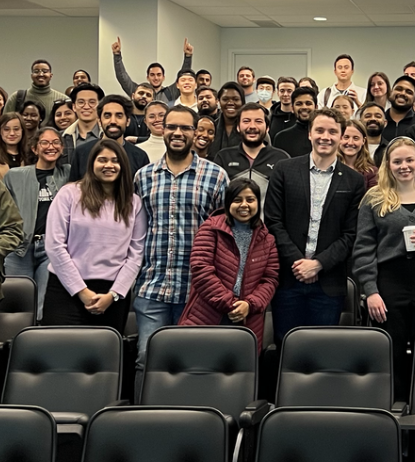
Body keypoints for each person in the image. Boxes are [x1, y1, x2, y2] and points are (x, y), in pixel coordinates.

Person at [133, 106, 228, 391]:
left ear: (196, 133)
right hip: (153, 286)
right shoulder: (143, 176)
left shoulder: (216, 176)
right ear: (162, 129)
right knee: (147, 358)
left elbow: (225, 236)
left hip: (198, 290)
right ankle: (142, 422)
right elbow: (136, 232)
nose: (177, 132)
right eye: (171, 126)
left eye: (185, 128)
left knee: (195, 363)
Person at [353, 137, 415, 400]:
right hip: (389, 283)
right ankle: (393, 407)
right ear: (388, 164)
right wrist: (371, 290)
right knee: (391, 350)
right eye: (397, 161)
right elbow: (363, 248)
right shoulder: (373, 198)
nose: (404, 166)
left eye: (409, 160)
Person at [265, 108, 365, 343]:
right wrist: (299, 264)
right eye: (319, 130)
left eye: (333, 131)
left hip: (328, 284)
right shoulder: (284, 170)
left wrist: (318, 264)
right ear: (309, 134)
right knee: (285, 348)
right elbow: (273, 222)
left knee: (322, 351)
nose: (325, 137)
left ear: (341, 137)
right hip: (289, 279)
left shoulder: (354, 181)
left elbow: (351, 234)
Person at [43, 139, 146, 333]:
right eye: (102, 160)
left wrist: (114, 294)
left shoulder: (134, 203)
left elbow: (135, 255)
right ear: (92, 164)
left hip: (112, 296)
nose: (109, 165)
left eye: (115, 161)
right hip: (66, 290)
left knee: (104, 360)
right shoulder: (69, 194)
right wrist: (81, 291)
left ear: (123, 166)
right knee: (60, 357)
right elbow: (55, 246)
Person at [178, 178, 279, 349]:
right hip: (207, 315)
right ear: (227, 203)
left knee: (240, 372)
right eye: (237, 200)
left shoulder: (267, 239)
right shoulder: (210, 229)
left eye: (250, 200)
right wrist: (231, 304)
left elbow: (270, 279)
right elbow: (201, 270)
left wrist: (249, 304)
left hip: (248, 320)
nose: (244, 205)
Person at [3, 128, 69, 320]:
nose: (51, 147)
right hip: (19, 247)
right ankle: (13, 343)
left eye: (56, 142)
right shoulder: (15, 175)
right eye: (45, 143)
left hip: (50, 247)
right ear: (34, 148)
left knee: (43, 303)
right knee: (17, 301)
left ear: (62, 148)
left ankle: (38, 341)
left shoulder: (68, 174)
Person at [212, 103, 290, 210]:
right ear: (238, 127)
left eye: (258, 121)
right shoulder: (223, 157)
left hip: (269, 226)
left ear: (267, 128)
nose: (252, 126)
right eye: (246, 121)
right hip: (229, 225)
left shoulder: (282, 159)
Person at [69, 95, 151, 182]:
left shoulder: (140, 156)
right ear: (99, 121)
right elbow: (73, 190)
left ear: (127, 121)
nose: (113, 121)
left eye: (119, 116)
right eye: (107, 116)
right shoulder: (81, 152)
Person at [112, 36, 194, 104]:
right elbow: (122, 77)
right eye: (152, 75)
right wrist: (117, 55)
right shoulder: (138, 90)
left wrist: (188, 56)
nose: (156, 78)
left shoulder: (171, 92)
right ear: (147, 77)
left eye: (159, 75)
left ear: (163, 77)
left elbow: (184, 76)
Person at [4, 59, 69, 117]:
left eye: (45, 71)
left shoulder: (63, 99)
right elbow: (5, 124)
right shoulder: (16, 98)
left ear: (51, 75)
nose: (40, 74)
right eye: (36, 71)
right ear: (32, 76)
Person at [61, 83, 105, 165]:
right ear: (74, 107)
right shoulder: (61, 138)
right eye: (81, 102)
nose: (86, 107)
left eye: (92, 102)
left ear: (100, 106)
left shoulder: (109, 136)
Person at [273, 86, 317, 157]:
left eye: (308, 103)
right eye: (299, 104)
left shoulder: (324, 137)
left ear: (316, 107)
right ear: (292, 108)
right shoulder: (281, 138)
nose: (304, 107)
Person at [380, 76, 415, 143]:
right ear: (391, 92)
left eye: (409, 92)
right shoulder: (379, 121)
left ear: (414, 100)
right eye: (399, 89)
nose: (402, 93)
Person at [339, 119, 378, 190]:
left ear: (363, 141)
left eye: (356, 138)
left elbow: (372, 199)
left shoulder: (372, 172)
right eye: (346, 137)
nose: (350, 142)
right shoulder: (329, 167)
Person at [210, 82, 246, 154]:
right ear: (218, 101)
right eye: (225, 99)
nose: (230, 103)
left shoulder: (250, 129)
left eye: (235, 99)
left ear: (242, 102)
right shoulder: (211, 128)